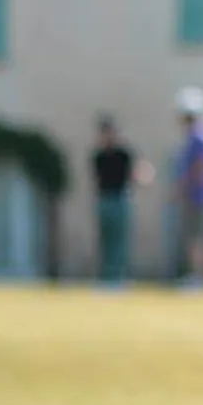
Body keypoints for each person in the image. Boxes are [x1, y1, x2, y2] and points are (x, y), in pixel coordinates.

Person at [91, 115, 152, 286]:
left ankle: (119, 278)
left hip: (120, 200)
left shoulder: (124, 154)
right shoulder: (99, 155)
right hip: (105, 201)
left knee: (120, 242)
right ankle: (106, 278)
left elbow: (136, 175)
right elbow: (96, 182)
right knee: (106, 241)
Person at [173, 87, 203, 289]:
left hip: (196, 197)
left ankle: (199, 277)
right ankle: (198, 276)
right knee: (196, 238)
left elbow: (200, 167)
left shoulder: (199, 137)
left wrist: (183, 189)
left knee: (196, 238)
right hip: (198, 195)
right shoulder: (198, 135)